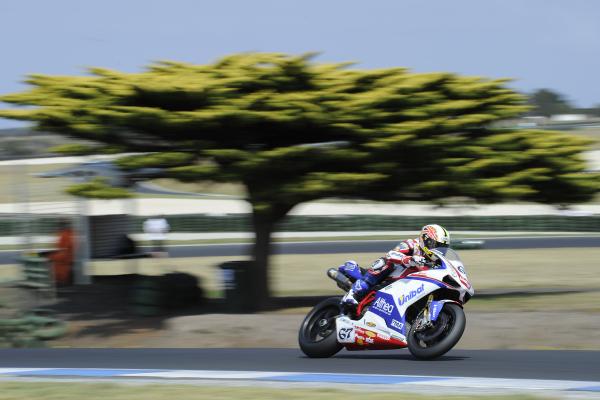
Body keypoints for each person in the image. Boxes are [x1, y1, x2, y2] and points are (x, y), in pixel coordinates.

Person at [340, 224, 451, 307]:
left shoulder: (437, 261)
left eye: (442, 247)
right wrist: (409, 259)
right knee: (385, 262)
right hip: (392, 278)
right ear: (426, 240)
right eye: (436, 245)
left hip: (409, 290)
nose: (438, 249)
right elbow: (391, 254)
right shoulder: (412, 244)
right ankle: (353, 294)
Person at [47, 219, 76, 286]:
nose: (58, 227)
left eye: (60, 225)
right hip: (66, 259)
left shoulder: (65, 235)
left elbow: (64, 252)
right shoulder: (68, 234)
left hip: (65, 261)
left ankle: (61, 281)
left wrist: (51, 257)